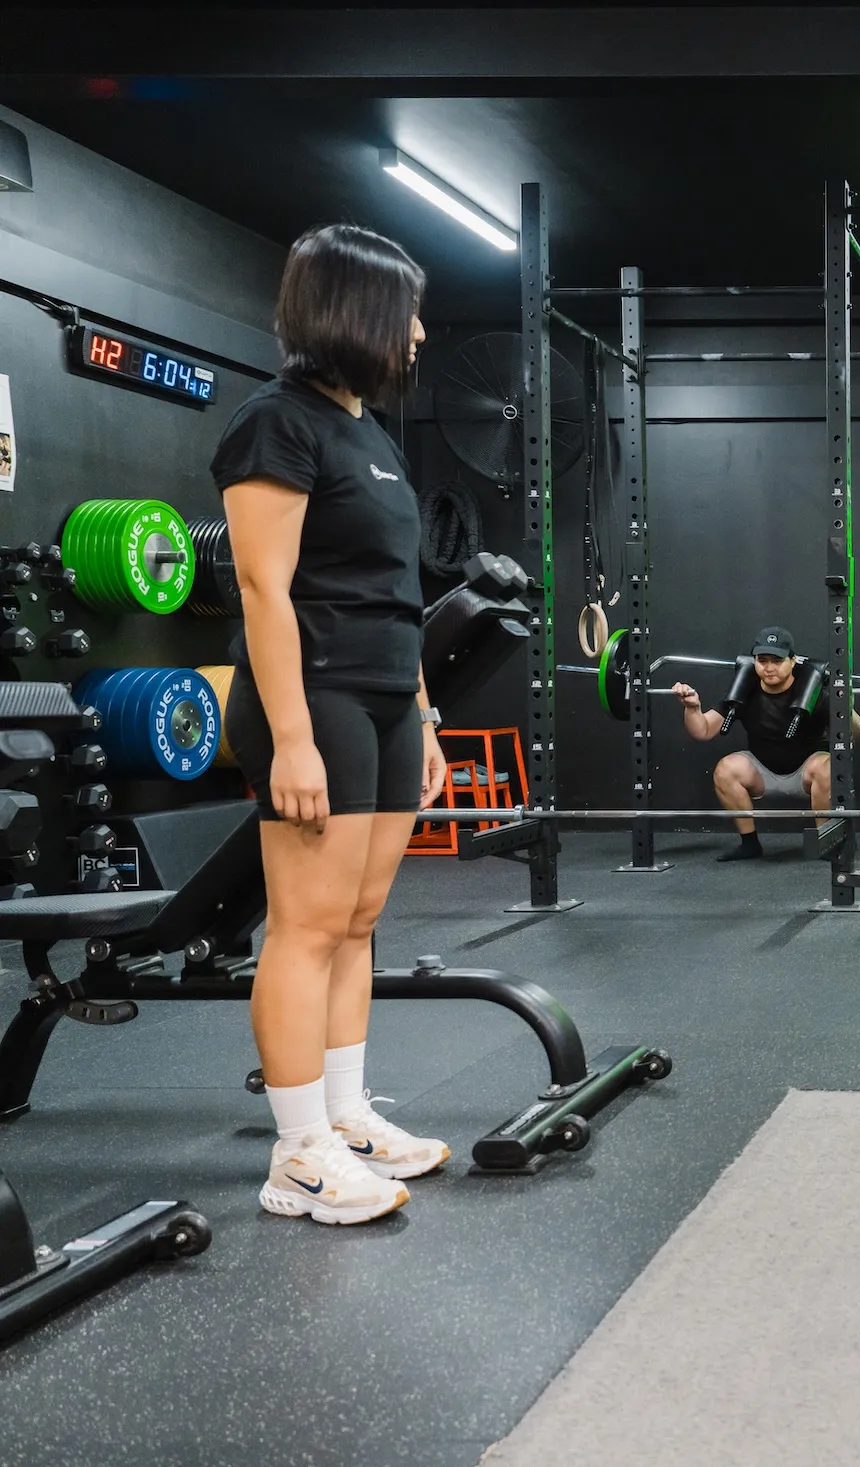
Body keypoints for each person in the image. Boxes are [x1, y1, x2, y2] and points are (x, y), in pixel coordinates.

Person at [215, 225, 449, 1225]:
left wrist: (426, 719)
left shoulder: (371, 435)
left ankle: (347, 1117)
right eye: (407, 313)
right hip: (311, 701)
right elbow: (266, 594)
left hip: (387, 699)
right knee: (304, 929)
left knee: (357, 925)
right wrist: (295, 737)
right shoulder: (277, 427)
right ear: (356, 313)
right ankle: (298, 1151)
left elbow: (396, 596)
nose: (421, 333)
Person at [669, 626, 860, 860]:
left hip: (808, 771)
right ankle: (749, 844)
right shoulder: (745, 688)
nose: (769, 668)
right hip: (763, 771)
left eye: (777, 660)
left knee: (829, 767)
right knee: (726, 769)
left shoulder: (813, 690)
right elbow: (702, 731)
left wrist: (844, 706)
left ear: (792, 661)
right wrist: (693, 708)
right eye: (762, 660)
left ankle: (827, 842)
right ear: (754, 661)